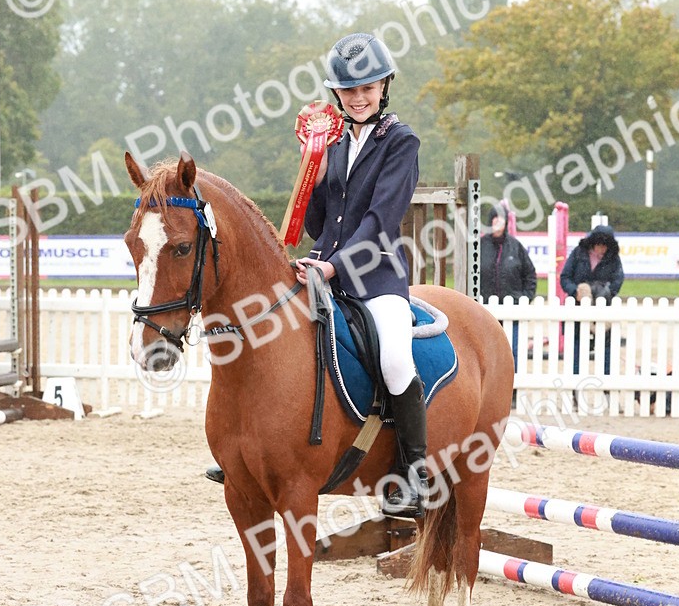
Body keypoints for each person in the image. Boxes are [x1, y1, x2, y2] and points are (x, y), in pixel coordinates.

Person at [207, 32, 428, 518]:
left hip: (375, 276)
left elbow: (379, 221)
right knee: (268, 337)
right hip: (321, 268)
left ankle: (415, 475)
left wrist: (333, 264)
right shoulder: (331, 140)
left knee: (393, 355)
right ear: (336, 95)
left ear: (385, 85)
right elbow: (321, 220)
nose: (359, 97)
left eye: (368, 87)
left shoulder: (401, 141)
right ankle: (248, 455)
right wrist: (310, 169)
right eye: (349, 90)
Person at [560, 223, 624, 374]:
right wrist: (575, 292)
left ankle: (606, 384)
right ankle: (574, 382)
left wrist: (606, 293)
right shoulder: (578, 253)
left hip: (603, 310)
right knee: (576, 347)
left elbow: (618, 280)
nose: (601, 248)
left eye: (605, 245)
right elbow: (565, 277)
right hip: (577, 308)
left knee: (605, 348)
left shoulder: (614, 259)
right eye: (599, 244)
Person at [480, 203, 536, 369]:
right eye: (495, 220)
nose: (498, 224)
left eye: (501, 221)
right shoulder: (480, 246)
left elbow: (530, 274)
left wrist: (525, 298)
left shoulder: (516, 247)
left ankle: (513, 389)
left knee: (514, 352)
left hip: (513, 311)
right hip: (487, 312)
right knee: (488, 353)